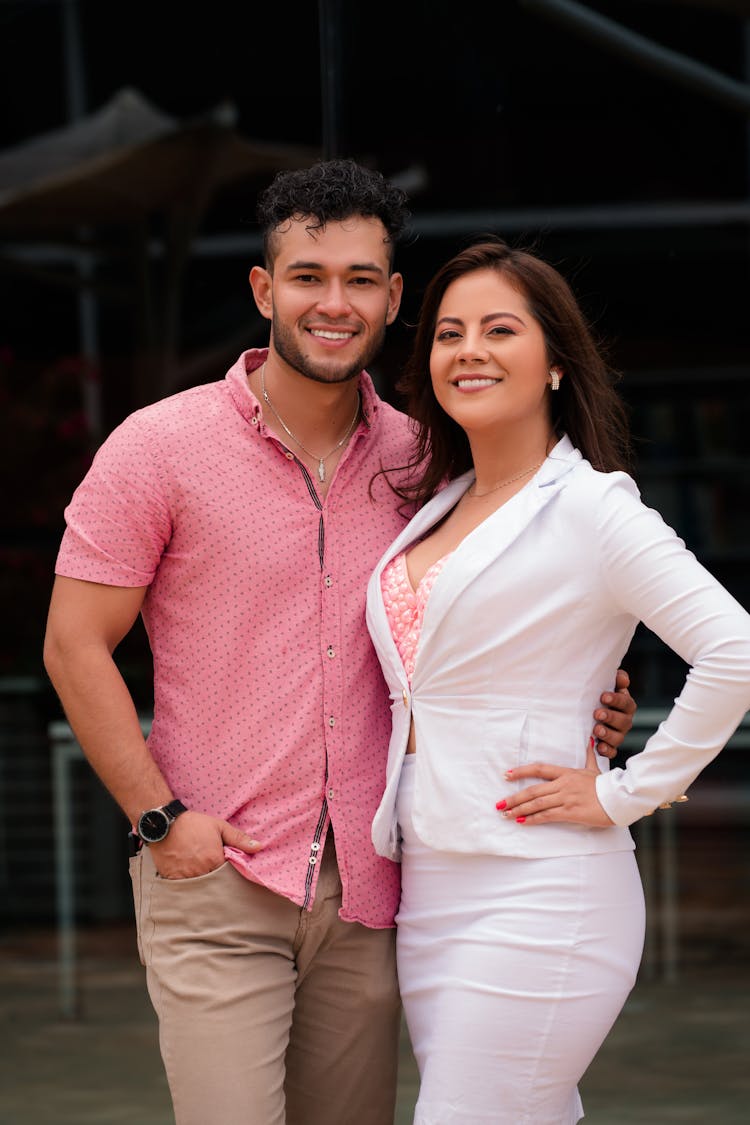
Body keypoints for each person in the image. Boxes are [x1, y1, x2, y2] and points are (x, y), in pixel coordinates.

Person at [42, 161, 637, 1125]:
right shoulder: (158, 448)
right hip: (219, 874)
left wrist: (587, 696)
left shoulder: (428, 461)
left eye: (361, 278)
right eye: (308, 275)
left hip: (372, 888)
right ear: (263, 288)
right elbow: (74, 644)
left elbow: (497, 612)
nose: (335, 301)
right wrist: (159, 819)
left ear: (394, 296)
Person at [365, 235, 750, 1124]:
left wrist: (627, 791)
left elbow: (732, 647)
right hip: (431, 884)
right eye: (449, 332)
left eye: (500, 329)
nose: (469, 349)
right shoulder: (437, 505)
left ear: (553, 364)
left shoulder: (593, 506)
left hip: (540, 885)